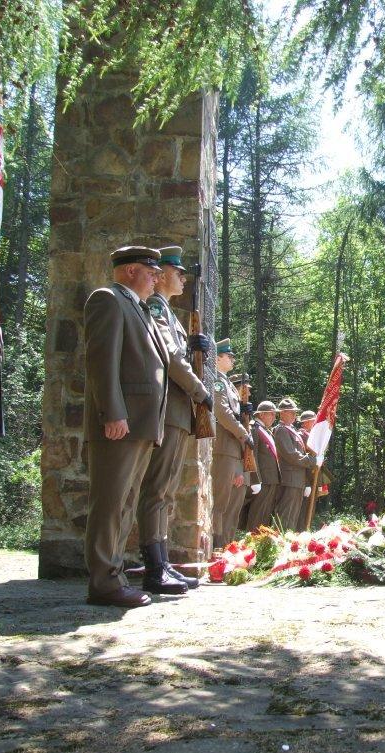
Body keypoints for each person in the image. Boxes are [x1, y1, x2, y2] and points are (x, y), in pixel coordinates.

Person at [82, 245, 169, 608]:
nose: (157, 278)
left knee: (125, 504)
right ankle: (103, 582)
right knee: (110, 502)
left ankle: (113, 575)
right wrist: (113, 413)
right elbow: (103, 363)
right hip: (122, 424)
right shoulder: (108, 300)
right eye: (151, 272)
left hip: (140, 425)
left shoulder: (136, 306)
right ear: (131, 271)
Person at [134, 246, 214, 595]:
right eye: (178, 273)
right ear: (164, 272)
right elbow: (172, 359)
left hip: (178, 412)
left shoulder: (168, 311)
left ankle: (162, 561)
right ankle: (154, 566)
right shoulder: (156, 307)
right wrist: (200, 390)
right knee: (156, 489)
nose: (182, 279)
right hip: (170, 409)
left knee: (164, 491)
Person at [210, 339, 254, 547]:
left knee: (231, 504)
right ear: (218, 357)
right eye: (229, 356)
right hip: (224, 448)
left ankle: (224, 545)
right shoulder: (217, 381)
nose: (233, 359)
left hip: (233, 450)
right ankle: (214, 548)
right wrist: (244, 434)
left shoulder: (227, 383)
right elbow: (222, 412)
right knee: (219, 504)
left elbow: (233, 414)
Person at [273, 398, 318, 531]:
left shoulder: (290, 430)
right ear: (282, 413)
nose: (294, 415)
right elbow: (291, 454)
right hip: (290, 479)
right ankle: (280, 543)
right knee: (285, 515)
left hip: (298, 479)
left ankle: (288, 542)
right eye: (291, 412)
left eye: (295, 412)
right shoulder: (281, 430)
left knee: (293, 516)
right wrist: (312, 461)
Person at [245, 401, 281, 531]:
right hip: (262, 479)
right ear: (261, 415)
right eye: (271, 414)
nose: (273, 417)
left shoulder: (266, 431)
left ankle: (261, 542)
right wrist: (255, 478)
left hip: (271, 479)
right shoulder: (254, 429)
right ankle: (253, 542)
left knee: (265, 514)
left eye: (274, 414)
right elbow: (252, 455)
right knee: (258, 513)